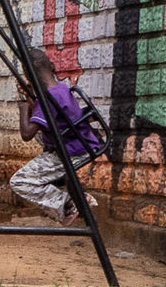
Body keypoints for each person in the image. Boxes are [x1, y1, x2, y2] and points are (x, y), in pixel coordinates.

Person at [11, 48, 103, 224]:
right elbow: (42, 117)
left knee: (20, 181)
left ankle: (71, 202)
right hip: (80, 144)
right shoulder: (60, 88)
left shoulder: (47, 99)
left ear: (29, 76)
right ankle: (71, 202)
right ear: (52, 67)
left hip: (70, 151)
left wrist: (23, 105)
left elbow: (27, 133)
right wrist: (32, 100)